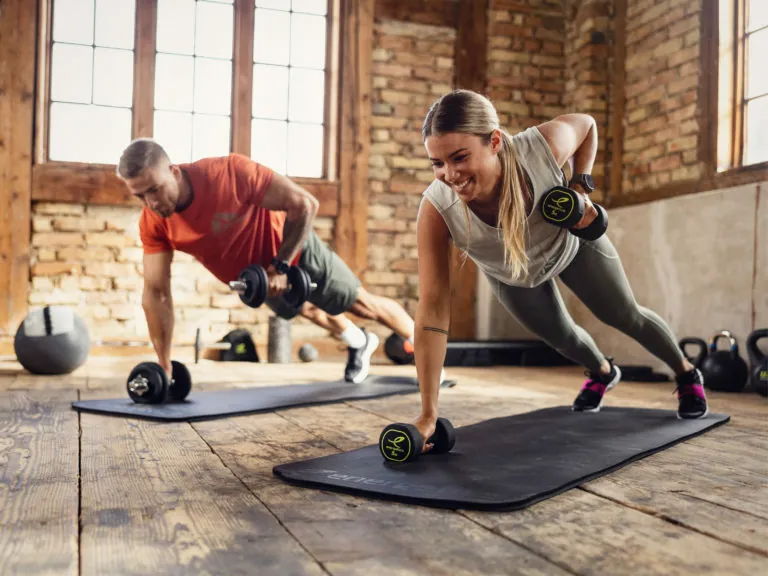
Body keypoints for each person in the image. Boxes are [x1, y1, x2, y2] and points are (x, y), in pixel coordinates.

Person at [411, 89, 708, 452]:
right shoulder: (437, 208)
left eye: (459, 157)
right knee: (561, 337)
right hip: (513, 273)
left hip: (572, 244)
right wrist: (428, 413)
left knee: (625, 315)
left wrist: (580, 186)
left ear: (494, 141)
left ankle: (686, 372)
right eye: (437, 163)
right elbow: (433, 309)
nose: (450, 174)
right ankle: (602, 372)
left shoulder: (539, 148)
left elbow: (587, 125)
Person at [116, 139, 418, 384]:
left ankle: (429, 354)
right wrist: (164, 363)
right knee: (309, 309)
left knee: (360, 304)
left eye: (155, 189)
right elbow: (156, 293)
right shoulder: (153, 222)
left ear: (174, 172)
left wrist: (282, 266)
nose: (151, 203)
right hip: (258, 279)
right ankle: (358, 341)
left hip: (293, 250)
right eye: (139, 196)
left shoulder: (229, 173)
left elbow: (304, 204)